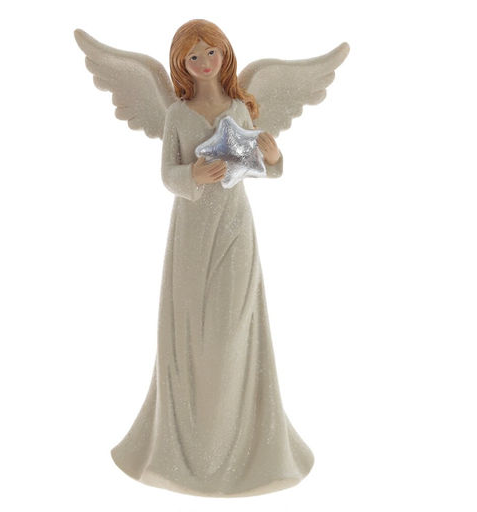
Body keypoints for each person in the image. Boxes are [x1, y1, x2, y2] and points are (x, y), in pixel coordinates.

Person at [110, 19, 315, 497]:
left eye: (211, 52)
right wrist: (193, 177)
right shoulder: (177, 115)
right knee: (193, 328)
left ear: (225, 54)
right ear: (181, 63)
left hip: (234, 228)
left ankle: (241, 440)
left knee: (233, 327)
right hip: (191, 231)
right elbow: (168, 174)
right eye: (193, 56)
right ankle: (190, 440)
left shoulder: (241, 108)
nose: (204, 62)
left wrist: (273, 156)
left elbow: (258, 166)